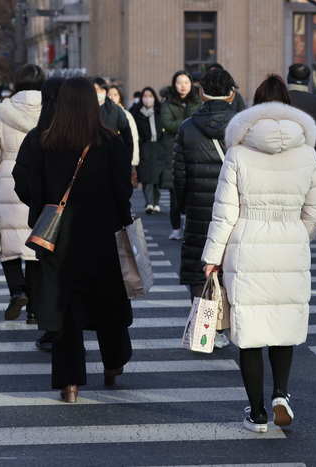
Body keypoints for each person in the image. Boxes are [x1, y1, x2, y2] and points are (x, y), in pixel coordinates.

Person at [201, 74, 316, 432]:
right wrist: (298, 234)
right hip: (289, 241)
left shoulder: (238, 151)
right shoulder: (305, 152)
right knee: (283, 324)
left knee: (250, 329)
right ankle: (281, 394)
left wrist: (212, 257)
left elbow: (225, 211)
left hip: (248, 243)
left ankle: (256, 414)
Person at [29, 76, 134, 403]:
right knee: (108, 302)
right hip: (102, 236)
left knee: (65, 311)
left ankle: (70, 382)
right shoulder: (111, 142)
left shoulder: (47, 143)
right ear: (92, 103)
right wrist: (123, 221)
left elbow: (37, 195)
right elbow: (123, 192)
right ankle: (112, 365)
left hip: (60, 240)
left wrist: (38, 227)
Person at [172, 68, 238, 348]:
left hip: (199, 207)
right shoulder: (242, 125)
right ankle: (227, 328)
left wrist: (187, 202)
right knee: (230, 264)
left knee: (201, 265)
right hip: (234, 208)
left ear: (201, 93)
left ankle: (204, 330)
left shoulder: (187, 127)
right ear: (232, 95)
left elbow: (179, 176)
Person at [0, 64, 46, 325]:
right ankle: (35, 311)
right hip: (39, 179)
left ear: (17, 83)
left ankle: (18, 290)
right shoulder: (50, 111)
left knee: (7, 244)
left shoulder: (1, 112)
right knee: (34, 245)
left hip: (8, 179)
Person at [12, 76, 66, 351]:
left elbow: (20, 178)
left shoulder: (38, 136)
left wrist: (38, 206)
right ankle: (74, 325)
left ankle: (51, 331)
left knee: (49, 276)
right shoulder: (89, 135)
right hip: (84, 223)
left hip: (47, 222)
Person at [161, 71, 202, 239]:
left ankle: (191, 227)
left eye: (186, 82)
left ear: (191, 83)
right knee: (174, 193)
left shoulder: (198, 101)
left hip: (195, 150)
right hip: (173, 150)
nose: (183, 85)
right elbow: (167, 124)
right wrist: (189, 122)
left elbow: (201, 120)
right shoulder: (168, 102)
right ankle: (176, 229)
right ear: (174, 84)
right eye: (179, 82)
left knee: (194, 192)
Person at [131, 87, 165, 214]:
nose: (147, 98)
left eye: (150, 95)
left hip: (158, 148)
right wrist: (140, 141)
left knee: (157, 178)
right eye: (145, 96)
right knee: (147, 178)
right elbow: (133, 131)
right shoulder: (136, 113)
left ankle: (156, 203)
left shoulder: (159, 112)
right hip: (144, 148)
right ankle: (149, 203)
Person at [286, 63, 316, 150]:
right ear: (308, 80)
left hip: (281, 155)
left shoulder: (279, 100)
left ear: (288, 78)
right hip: (310, 156)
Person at [91, 77, 134, 157]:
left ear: (106, 92)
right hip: (90, 154)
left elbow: (126, 133)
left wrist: (128, 156)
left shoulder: (115, 109)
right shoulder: (86, 109)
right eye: (96, 90)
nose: (99, 93)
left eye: (102, 90)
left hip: (111, 154)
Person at [108, 85, 140, 187]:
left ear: (120, 98)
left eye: (115, 95)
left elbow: (133, 138)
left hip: (122, 156)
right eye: (109, 94)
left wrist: (133, 159)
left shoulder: (126, 114)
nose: (112, 97)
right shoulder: (102, 113)